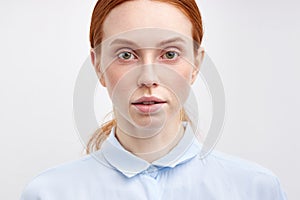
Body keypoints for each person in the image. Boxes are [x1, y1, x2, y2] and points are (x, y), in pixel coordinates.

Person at [20, 0, 287, 199]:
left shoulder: (256, 189)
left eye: (170, 54)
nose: (148, 77)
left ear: (196, 64)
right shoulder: (47, 194)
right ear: (98, 65)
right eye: (126, 55)